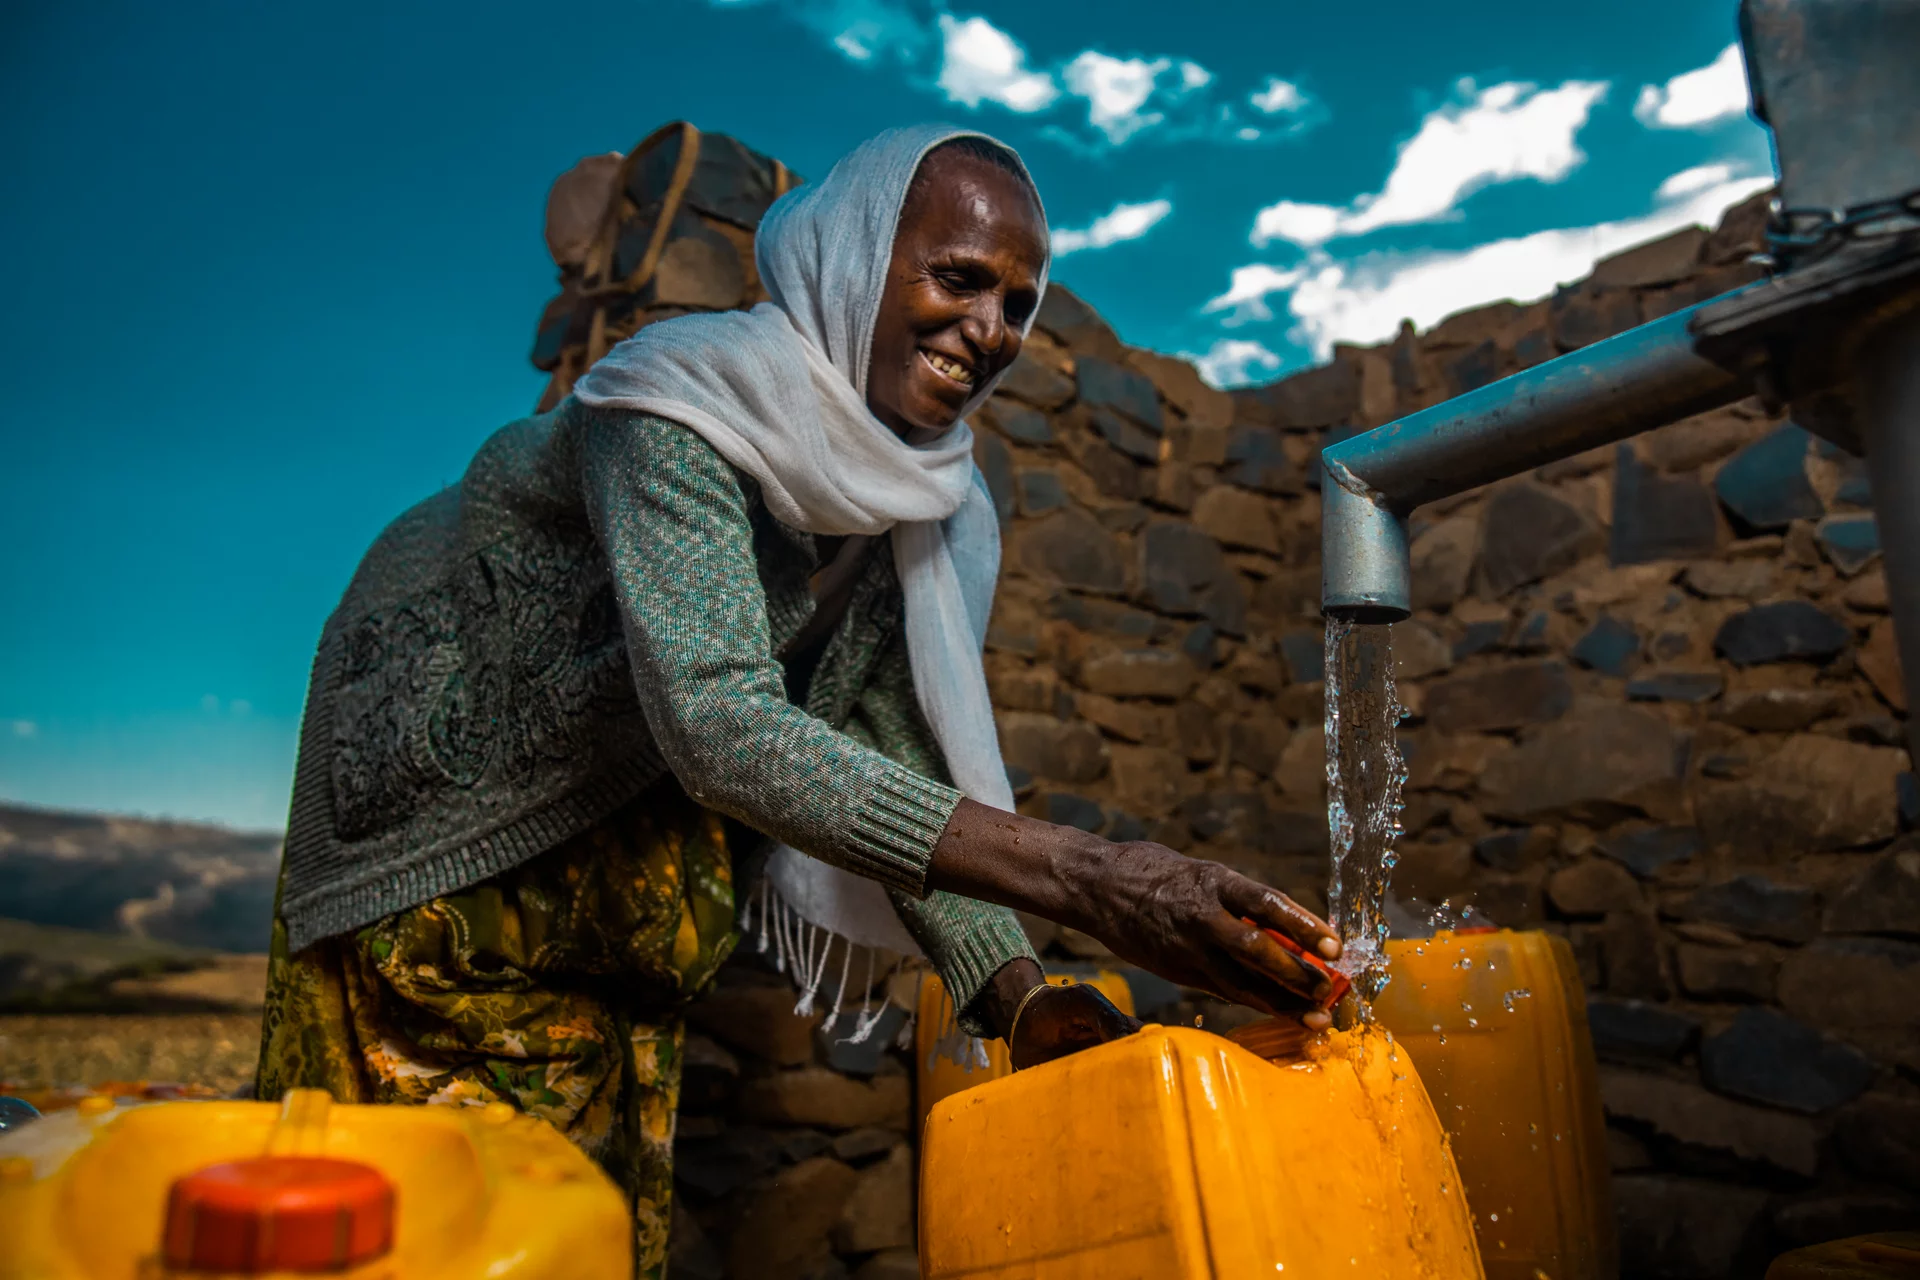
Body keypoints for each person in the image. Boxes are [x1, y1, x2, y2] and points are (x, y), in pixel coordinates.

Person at [256, 124, 1341, 1276]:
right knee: (415, 1222)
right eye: (958, 277)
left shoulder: (922, 504)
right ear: (855, 259)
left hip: (609, 916)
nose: (990, 330)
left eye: (1019, 303)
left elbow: (886, 738)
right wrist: (1092, 875)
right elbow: (720, 723)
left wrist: (1019, 994)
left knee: (579, 1224)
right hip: (441, 847)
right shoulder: (680, 407)